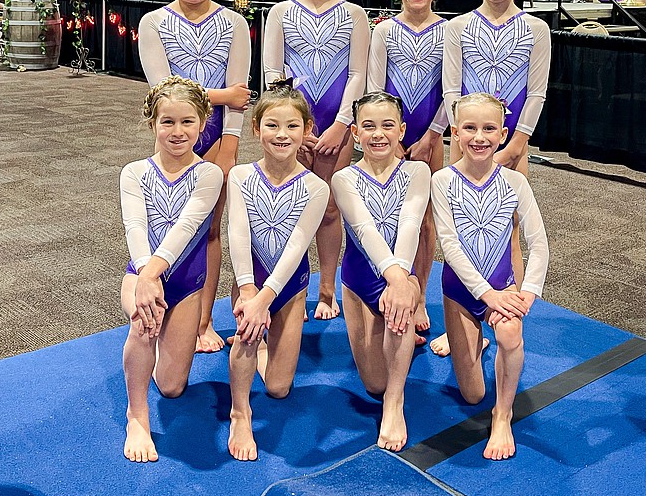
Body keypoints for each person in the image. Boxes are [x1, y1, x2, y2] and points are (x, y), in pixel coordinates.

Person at [432, 0, 551, 358]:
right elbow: (450, 90)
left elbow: (535, 93)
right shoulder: (457, 28)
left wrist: (515, 144)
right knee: (459, 230)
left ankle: (510, 305)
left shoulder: (536, 29)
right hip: (464, 142)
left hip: (512, 142)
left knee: (509, 230)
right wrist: (464, 143)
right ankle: (461, 318)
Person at [138, 0, 252, 353]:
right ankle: (163, 310)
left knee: (208, 232)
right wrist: (223, 95)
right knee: (166, 227)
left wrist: (230, 145)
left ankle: (202, 320)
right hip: (173, 139)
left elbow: (241, 90)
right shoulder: (153, 23)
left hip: (218, 140)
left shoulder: (234, 23)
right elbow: (164, 91)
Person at [432, 92, 549, 460]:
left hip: (502, 287)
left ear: (502, 134)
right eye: (470, 128)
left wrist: (527, 293)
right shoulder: (443, 181)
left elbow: (538, 243)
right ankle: (473, 340)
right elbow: (449, 246)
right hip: (461, 292)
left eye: (488, 128)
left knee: (511, 333)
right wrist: (488, 296)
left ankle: (503, 414)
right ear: (455, 131)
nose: (479, 137)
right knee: (471, 395)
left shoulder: (514, 183)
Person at [263, 0, 370, 321]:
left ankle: (327, 289)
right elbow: (273, 70)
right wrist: (297, 127)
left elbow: (357, 74)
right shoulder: (281, 13)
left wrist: (342, 125)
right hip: (291, 129)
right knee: (287, 210)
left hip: (336, 127)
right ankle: (291, 290)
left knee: (327, 210)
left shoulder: (354, 15)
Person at [119, 77, 224, 463]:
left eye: (187, 122)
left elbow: (186, 228)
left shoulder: (209, 175)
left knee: (172, 387)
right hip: (141, 273)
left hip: (185, 283)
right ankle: (137, 415)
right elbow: (136, 227)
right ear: (152, 124)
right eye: (167, 121)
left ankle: (153, 353)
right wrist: (146, 279)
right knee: (143, 321)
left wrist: (155, 278)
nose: (177, 131)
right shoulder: (133, 173)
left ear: (202, 124)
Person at [226, 83, 329, 461]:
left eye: (291, 126)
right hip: (248, 282)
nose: (281, 135)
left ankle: (266, 338)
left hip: (289, 287)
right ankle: (240, 412)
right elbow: (237, 233)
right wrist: (249, 292)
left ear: (306, 130)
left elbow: (296, 247)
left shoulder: (316, 187)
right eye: (272, 125)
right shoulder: (239, 176)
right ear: (256, 129)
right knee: (248, 333)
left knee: (278, 388)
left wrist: (266, 298)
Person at [333, 91, 429, 451]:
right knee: (374, 383)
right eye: (368, 126)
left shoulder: (417, 171)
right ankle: (397, 351)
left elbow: (409, 225)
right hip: (360, 281)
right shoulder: (344, 179)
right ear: (355, 132)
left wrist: (402, 282)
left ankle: (395, 403)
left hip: (402, 279)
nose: (378, 134)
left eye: (387, 125)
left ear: (401, 130)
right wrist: (397, 279)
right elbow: (365, 231)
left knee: (399, 312)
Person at [367, 0, 447, 344]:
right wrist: (391, 139)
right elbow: (376, 88)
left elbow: (452, 90)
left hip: (431, 136)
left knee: (426, 220)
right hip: (387, 139)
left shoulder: (449, 32)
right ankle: (386, 287)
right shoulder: (384, 31)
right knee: (385, 217)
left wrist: (432, 136)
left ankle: (416, 296)